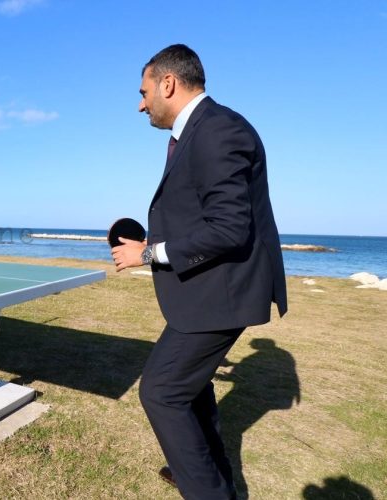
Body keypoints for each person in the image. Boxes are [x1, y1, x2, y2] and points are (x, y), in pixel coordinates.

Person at [111, 44, 287, 499]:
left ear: (168, 83)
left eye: (144, 92)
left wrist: (149, 255)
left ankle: (206, 487)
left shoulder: (217, 130)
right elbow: (201, 217)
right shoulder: (199, 130)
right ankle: (206, 473)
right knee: (189, 388)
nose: (141, 104)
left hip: (222, 294)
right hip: (205, 292)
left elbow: (229, 228)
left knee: (162, 392)